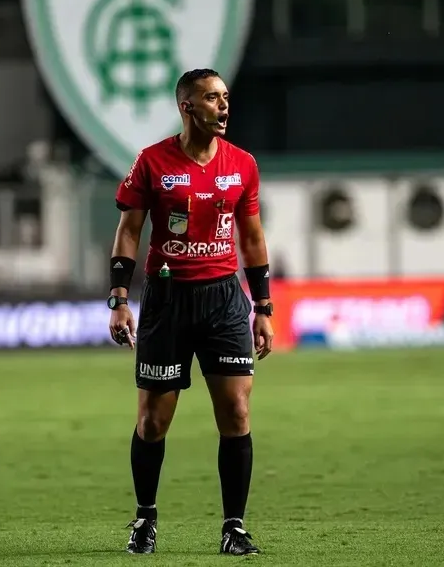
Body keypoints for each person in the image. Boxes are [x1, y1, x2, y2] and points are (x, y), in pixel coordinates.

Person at [108, 68, 274, 556]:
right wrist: (119, 298)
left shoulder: (242, 164)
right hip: (167, 299)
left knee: (237, 412)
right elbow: (128, 232)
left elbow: (251, 237)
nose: (223, 106)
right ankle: (145, 519)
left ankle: (235, 527)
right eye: (211, 98)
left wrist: (262, 305)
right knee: (153, 422)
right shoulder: (152, 162)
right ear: (187, 107)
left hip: (224, 298)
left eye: (225, 97)